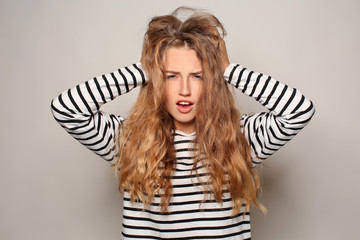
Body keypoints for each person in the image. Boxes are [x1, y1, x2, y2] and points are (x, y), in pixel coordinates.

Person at [51, 7, 315, 240]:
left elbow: (299, 110)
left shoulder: (240, 137)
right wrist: (144, 69)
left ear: (211, 83)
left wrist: (227, 69)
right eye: (171, 76)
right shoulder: (129, 137)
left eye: (198, 76)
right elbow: (66, 109)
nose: (185, 89)